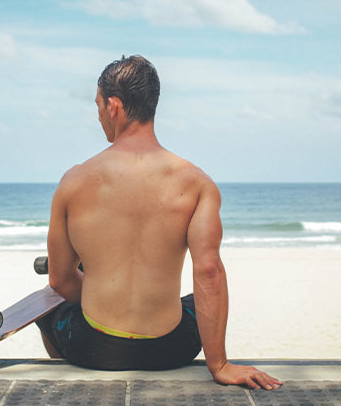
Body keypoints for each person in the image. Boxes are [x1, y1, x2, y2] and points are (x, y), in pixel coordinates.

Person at [36, 55, 282, 390]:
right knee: (194, 301)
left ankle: (72, 381)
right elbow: (209, 271)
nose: (97, 116)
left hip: (92, 349)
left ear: (113, 106)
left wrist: (98, 292)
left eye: (97, 106)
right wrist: (219, 365)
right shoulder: (196, 183)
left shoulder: (73, 182)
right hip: (171, 349)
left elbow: (61, 281)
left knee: (48, 310)